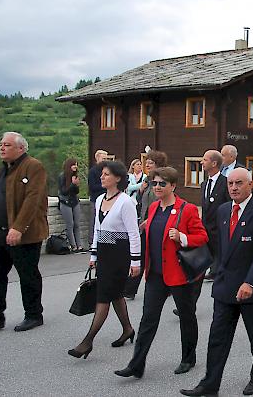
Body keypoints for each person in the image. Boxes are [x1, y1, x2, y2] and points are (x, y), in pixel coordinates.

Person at [181, 168, 253, 397]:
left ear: (250, 185)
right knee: (217, 337)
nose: (233, 187)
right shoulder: (223, 210)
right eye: (231, 183)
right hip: (225, 285)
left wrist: (250, 283)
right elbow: (218, 246)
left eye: (239, 183)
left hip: (250, 287)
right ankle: (210, 384)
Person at [114, 167, 208, 378]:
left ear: (173, 186)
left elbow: (202, 237)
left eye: (161, 184)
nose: (157, 187)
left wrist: (182, 237)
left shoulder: (188, 209)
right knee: (148, 319)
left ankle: (188, 357)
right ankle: (136, 364)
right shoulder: (154, 207)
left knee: (186, 316)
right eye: (154, 183)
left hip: (179, 273)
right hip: (155, 273)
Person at [68, 161, 141, 359]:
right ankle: (128, 329)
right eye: (102, 174)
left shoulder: (126, 202)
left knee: (104, 296)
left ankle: (87, 341)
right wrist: (93, 255)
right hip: (104, 254)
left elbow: (134, 234)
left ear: (117, 178)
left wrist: (136, 262)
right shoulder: (100, 199)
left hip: (120, 254)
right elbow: (98, 230)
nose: (102, 177)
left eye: (107, 174)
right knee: (115, 294)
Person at [0, 132, 48, 332]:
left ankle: (33, 315)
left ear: (21, 148)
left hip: (24, 234)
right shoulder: (3, 170)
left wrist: (18, 227)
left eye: (7, 145)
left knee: (27, 274)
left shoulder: (33, 166)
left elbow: (33, 199)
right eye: (1, 144)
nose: (2, 148)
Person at [123, 150, 167, 300]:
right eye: (146, 162)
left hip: (157, 223)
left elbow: (163, 202)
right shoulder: (147, 180)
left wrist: (151, 220)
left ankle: (170, 286)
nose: (147, 164)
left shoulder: (162, 181)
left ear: (158, 164)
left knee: (159, 257)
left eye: (151, 162)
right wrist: (141, 191)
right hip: (143, 223)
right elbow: (143, 202)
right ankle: (130, 289)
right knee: (140, 255)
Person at [200, 150, 230, 281]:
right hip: (206, 225)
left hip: (219, 225)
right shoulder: (204, 184)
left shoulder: (226, 182)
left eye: (205, 160)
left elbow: (229, 204)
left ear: (214, 163)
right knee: (209, 249)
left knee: (219, 249)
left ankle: (217, 270)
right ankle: (212, 269)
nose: (202, 162)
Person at [58, 158, 84, 252]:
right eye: (74, 165)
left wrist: (76, 185)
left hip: (74, 202)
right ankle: (73, 246)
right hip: (65, 202)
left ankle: (79, 245)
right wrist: (72, 184)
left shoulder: (75, 176)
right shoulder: (62, 176)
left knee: (77, 224)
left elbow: (76, 192)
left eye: (76, 164)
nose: (75, 166)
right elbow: (64, 192)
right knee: (70, 224)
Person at [87, 149, 108, 247]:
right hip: (95, 199)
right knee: (94, 220)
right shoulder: (93, 171)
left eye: (106, 158)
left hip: (106, 199)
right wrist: (104, 185)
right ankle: (92, 242)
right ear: (97, 158)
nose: (105, 160)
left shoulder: (108, 171)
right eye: (103, 158)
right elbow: (92, 187)